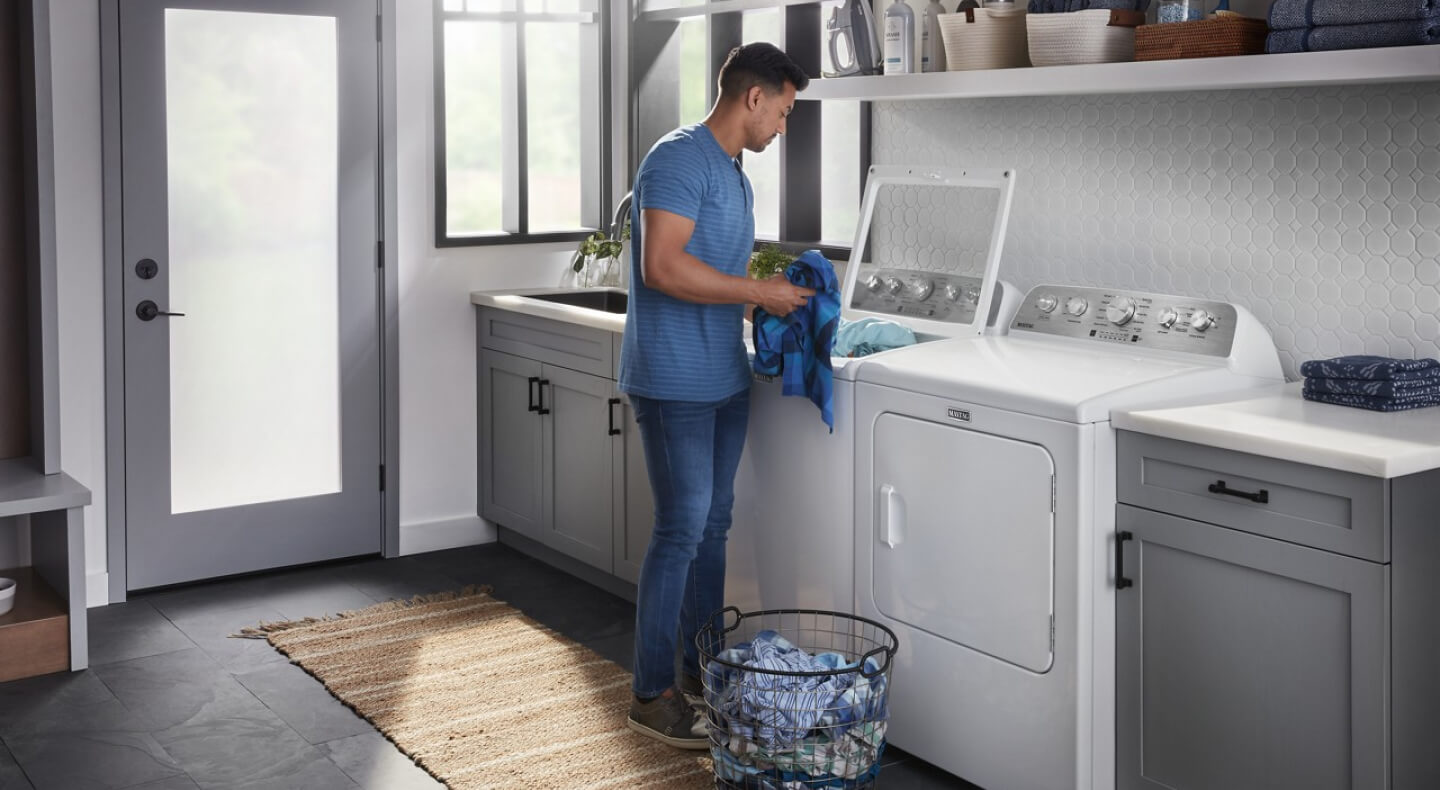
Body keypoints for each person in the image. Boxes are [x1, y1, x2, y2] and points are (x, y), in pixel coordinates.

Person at [620, 42, 814, 750]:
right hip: (672, 380)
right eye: (785, 112)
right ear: (753, 97)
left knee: (712, 528)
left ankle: (703, 675)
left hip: (723, 378)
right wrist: (758, 290)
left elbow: (715, 275)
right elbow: (663, 267)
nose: (783, 127)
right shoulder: (675, 159)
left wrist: (765, 307)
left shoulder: (735, 176)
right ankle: (651, 693)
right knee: (681, 530)